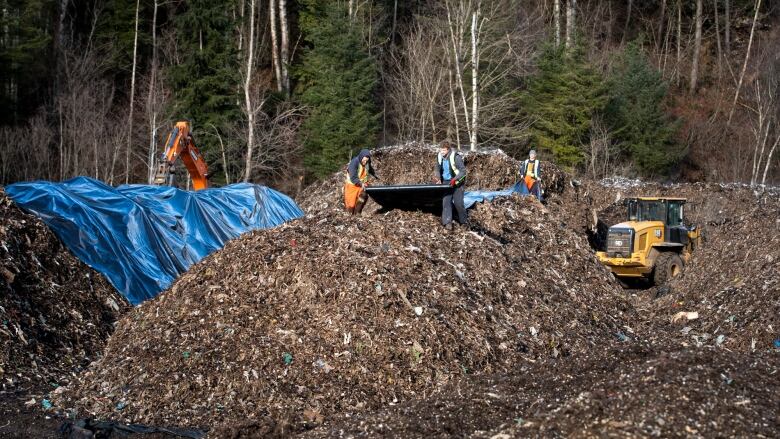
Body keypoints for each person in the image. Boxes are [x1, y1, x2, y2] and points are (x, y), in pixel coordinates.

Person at [435, 141, 468, 230]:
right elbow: (437, 168)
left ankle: (463, 221)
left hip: (457, 183)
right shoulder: (439, 157)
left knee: (458, 203)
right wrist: (438, 178)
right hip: (446, 183)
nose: (442, 152)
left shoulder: (456, 157)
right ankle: (447, 222)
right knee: (446, 202)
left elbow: (463, 171)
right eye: (441, 150)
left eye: (444, 150)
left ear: (448, 150)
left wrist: (455, 179)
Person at [344, 149, 378, 215]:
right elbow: (353, 178)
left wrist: (374, 174)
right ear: (361, 157)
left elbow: (369, 168)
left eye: (366, 160)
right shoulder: (354, 163)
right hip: (352, 186)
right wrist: (360, 183)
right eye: (364, 160)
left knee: (363, 196)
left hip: (362, 185)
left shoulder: (367, 161)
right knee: (351, 205)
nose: (365, 162)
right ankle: (350, 215)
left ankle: (357, 214)